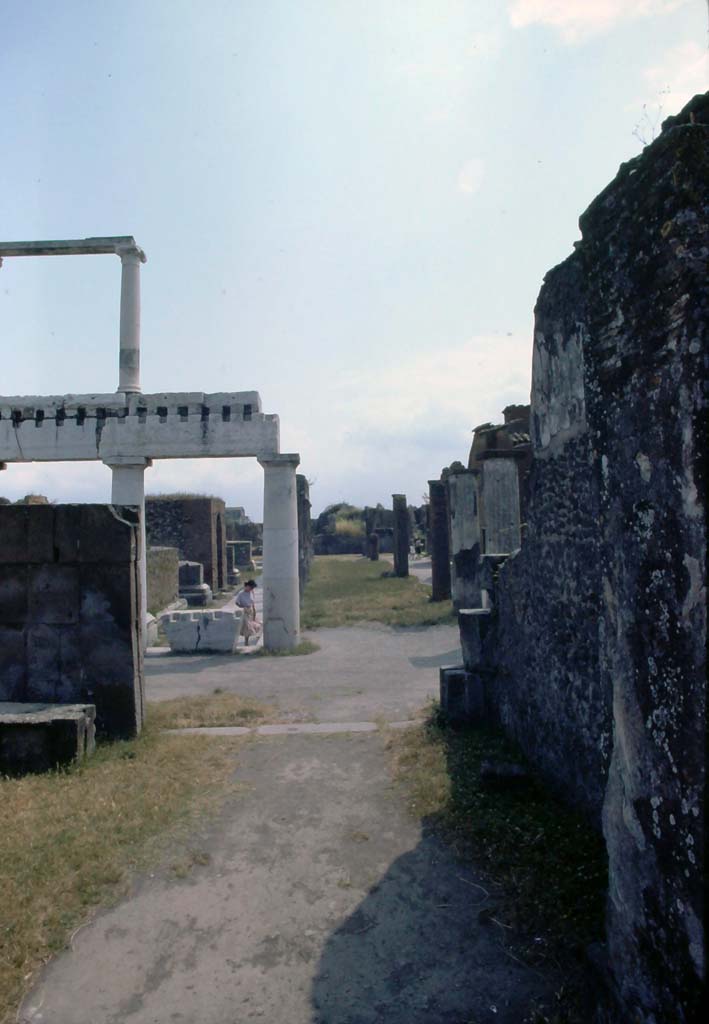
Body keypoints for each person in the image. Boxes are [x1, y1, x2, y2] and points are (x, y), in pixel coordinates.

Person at [235, 579, 261, 645]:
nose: (251, 589)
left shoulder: (252, 592)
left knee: (257, 624)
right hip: (245, 610)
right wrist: (242, 607)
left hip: (251, 610)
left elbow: (253, 603)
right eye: (251, 587)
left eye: (252, 588)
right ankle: (246, 642)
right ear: (248, 586)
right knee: (247, 627)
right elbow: (237, 602)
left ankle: (256, 637)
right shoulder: (241, 594)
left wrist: (254, 612)